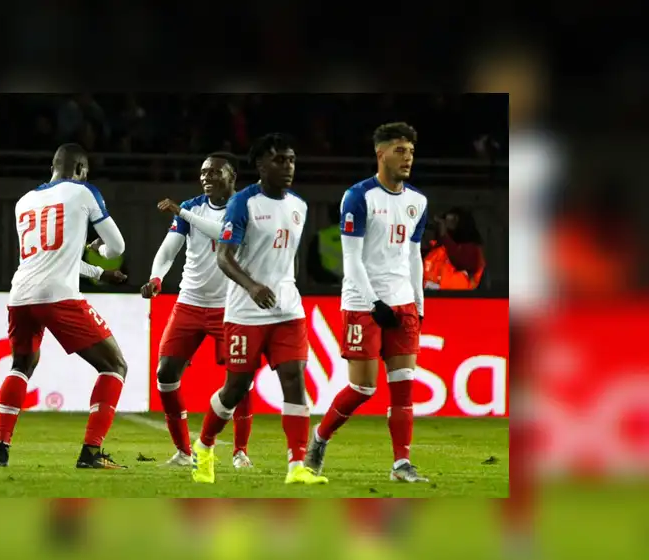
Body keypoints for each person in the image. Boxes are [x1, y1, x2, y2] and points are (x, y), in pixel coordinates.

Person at [191, 133, 327, 485]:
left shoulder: (300, 205)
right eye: (279, 160)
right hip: (246, 313)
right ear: (261, 165)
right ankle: (204, 447)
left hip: (287, 310)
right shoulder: (243, 204)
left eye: (291, 159)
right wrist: (252, 286)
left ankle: (297, 466)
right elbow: (223, 256)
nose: (288, 166)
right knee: (237, 388)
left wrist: (283, 288)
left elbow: (286, 260)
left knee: (295, 382)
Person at [0, 143, 129, 469]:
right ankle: (91, 452)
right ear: (81, 169)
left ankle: (0, 448)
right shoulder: (84, 192)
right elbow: (117, 246)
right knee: (115, 366)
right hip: (59, 296)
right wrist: (98, 253)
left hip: (21, 295)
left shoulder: (24, 201)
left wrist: (97, 273)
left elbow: (48, 255)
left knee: (21, 366)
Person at [305, 122, 429, 483]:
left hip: (403, 303)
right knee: (363, 388)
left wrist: (418, 305)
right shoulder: (358, 197)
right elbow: (352, 259)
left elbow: (413, 256)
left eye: (410, 151)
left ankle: (401, 465)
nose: (407, 158)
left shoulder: (417, 201)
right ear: (381, 153)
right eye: (399, 151)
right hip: (363, 303)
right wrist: (375, 302)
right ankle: (319, 438)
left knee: (404, 387)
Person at [141, 152, 255, 468]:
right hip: (190, 303)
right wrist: (156, 277)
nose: (206, 177)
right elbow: (169, 249)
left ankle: (240, 451)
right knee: (165, 373)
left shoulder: (244, 207)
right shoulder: (192, 207)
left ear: (232, 176)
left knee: (240, 380)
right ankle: (183, 453)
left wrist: (182, 213)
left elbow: (223, 233)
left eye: (215, 172)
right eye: (203, 172)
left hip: (231, 307)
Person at [421, 207, 485, 290]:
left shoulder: (471, 250)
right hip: (431, 299)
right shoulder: (435, 251)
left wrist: (444, 236)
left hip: (457, 300)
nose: (446, 224)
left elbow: (461, 263)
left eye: (454, 220)